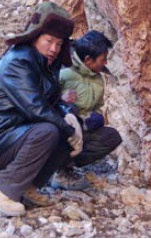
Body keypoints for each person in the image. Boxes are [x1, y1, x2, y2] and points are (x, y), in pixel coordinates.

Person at [0, 1, 84, 216]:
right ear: (35, 36)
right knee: (49, 130)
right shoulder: (18, 61)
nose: (54, 49)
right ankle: (4, 188)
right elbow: (36, 108)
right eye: (49, 41)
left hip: (14, 136)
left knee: (64, 124)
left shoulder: (45, 64)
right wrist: (68, 130)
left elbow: (51, 102)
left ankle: (27, 185)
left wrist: (68, 116)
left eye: (59, 44)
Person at [52, 30, 122, 190]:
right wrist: (60, 98)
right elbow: (40, 100)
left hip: (81, 128)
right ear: (88, 60)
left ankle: (66, 165)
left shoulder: (98, 79)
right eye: (102, 59)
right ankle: (56, 170)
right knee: (64, 129)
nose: (104, 63)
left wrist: (95, 117)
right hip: (60, 128)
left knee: (111, 136)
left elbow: (97, 106)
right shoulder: (62, 71)